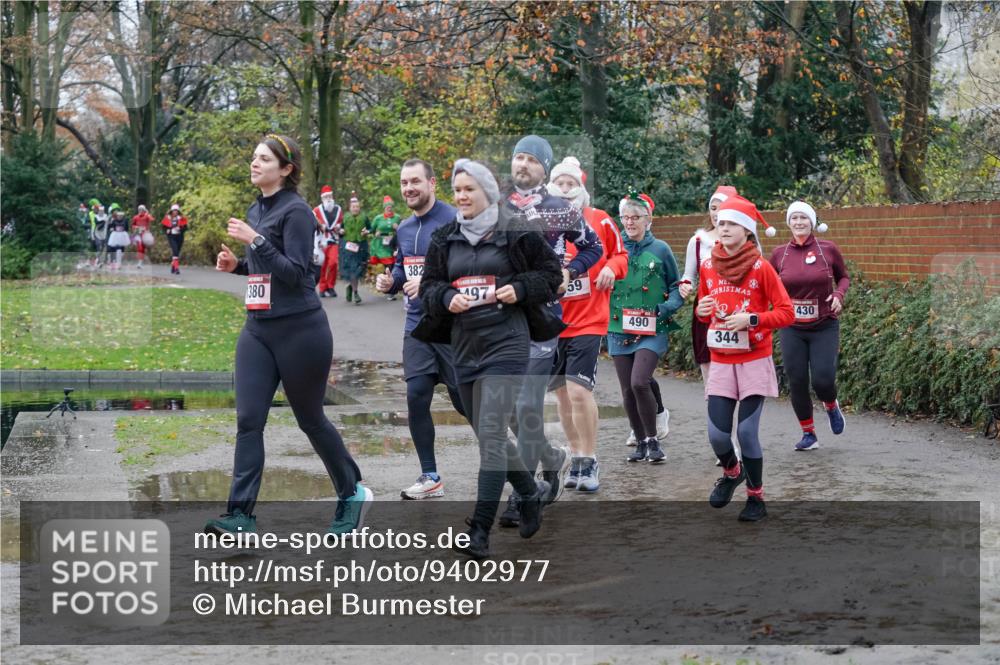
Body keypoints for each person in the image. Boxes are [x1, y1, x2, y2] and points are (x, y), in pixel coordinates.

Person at [206, 133, 372, 535]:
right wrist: (237, 267)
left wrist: (256, 240)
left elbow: (299, 274)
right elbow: (265, 269)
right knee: (248, 421)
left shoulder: (298, 212)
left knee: (311, 420)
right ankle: (240, 515)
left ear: (286, 168)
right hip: (258, 330)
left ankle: (352, 493)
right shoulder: (255, 209)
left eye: (264, 158)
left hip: (300, 331)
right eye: (254, 156)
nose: (254, 163)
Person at [415, 158, 563, 559]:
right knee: (489, 436)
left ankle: (478, 530)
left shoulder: (517, 231)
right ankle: (531, 492)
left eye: (469, 190)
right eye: (457, 190)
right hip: (464, 347)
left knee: (493, 436)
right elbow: (430, 286)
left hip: (507, 344)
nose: (461, 197)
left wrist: (520, 287)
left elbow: (552, 274)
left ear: (488, 192)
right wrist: (447, 297)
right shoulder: (446, 237)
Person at [498, 135, 604, 528]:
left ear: (544, 167)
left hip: (542, 317)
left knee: (527, 406)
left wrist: (569, 271)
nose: (522, 164)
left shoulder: (560, 208)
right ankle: (552, 458)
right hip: (501, 320)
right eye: (517, 158)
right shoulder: (498, 206)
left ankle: (522, 495)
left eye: (530, 159)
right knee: (507, 410)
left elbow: (592, 248)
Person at [695, 194, 793, 522]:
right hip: (721, 360)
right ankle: (732, 471)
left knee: (747, 433)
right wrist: (702, 309)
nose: (722, 228)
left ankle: (756, 497)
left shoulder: (761, 268)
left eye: (731, 223)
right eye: (720, 222)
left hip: (753, 359)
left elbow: (786, 313)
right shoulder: (709, 266)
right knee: (717, 435)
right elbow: (705, 307)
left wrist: (752, 320)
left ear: (747, 231)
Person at [376, 158, 467, 499]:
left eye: (415, 181)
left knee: (466, 403)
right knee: (416, 397)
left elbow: (468, 268)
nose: (409, 188)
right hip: (417, 325)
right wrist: (392, 280)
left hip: (453, 326)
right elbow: (402, 267)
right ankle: (430, 476)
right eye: (404, 183)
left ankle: (516, 457)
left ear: (431, 184)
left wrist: (427, 282)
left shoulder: (453, 220)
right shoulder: (403, 227)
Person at [545, 157, 628, 491]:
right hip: (552, 322)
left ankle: (589, 459)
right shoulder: (542, 222)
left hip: (589, 320)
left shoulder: (599, 221)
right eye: (559, 184)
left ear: (581, 190)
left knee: (580, 391)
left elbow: (620, 256)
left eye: (571, 185)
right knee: (562, 397)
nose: (565, 190)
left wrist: (612, 269)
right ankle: (576, 456)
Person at [608, 190, 684, 465]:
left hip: (652, 328)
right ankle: (640, 443)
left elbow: (677, 287)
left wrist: (665, 308)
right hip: (618, 328)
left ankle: (652, 440)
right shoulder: (615, 251)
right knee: (627, 390)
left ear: (648, 220)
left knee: (640, 382)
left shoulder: (661, 250)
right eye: (625, 217)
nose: (629, 222)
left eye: (635, 217)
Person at [770, 201, 849, 451]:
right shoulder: (779, 254)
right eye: (794, 219)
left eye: (804, 218)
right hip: (792, 326)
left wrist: (838, 295)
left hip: (823, 324)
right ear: (789, 223)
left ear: (812, 222)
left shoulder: (828, 250)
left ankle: (830, 404)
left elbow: (844, 277)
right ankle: (809, 434)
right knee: (797, 379)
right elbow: (767, 283)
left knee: (823, 379)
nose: (799, 222)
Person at [679, 185, 738, 382]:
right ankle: (714, 410)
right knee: (710, 369)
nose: (716, 213)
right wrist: (685, 285)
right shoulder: (698, 241)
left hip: (738, 311)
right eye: (713, 207)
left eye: (721, 207)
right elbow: (688, 276)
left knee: (737, 369)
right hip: (706, 310)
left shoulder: (746, 240)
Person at [340, 193, 370, 304]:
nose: (356, 209)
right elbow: (340, 230)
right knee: (352, 270)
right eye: (354, 207)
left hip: (361, 246)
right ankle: (356, 293)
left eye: (357, 207)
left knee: (358, 270)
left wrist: (367, 231)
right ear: (350, 208)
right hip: (348, 247)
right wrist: (341, 231)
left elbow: (370, 228)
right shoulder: (345, 217)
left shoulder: (364, 217)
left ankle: (350, 287)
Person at [313, 185, 342, 298]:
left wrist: (339, 226)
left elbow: (341, 221)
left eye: (330, 196)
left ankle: (331, 286)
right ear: (322, 198)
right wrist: (320, 226)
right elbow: (311, 223)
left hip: (333, 239)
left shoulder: (338, 209)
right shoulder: (316, 210)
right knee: (322, 265)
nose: (329, 199)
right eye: (326, 197)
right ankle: (322, 287)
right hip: (321, 241)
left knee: (333, 263)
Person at [370, 195, 401, 299]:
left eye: (390, 207)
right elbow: (372, 230)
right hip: (381, 245)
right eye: (387, 207)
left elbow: (403, 230)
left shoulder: (397, 217)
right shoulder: (378, 218)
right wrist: (376, 233)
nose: (389, 208)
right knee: (389, 264)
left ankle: (388, 286)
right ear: (384, 207)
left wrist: (398, 228)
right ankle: (388, 286)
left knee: (391, 265)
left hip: (392, 244)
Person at [161, 203, 188, 274]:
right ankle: (176, 268)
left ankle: (173, 266)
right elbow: (163, 227)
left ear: (178, 211)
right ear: (171, 211)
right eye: (174, 210)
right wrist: (167, 230)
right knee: (175, 251)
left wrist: (180, 229)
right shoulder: (168, 218)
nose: (175, 212)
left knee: (177, 252)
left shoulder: (181, 218)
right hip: (171, 237)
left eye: (176, 211)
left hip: (179, 236)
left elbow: (186, 227)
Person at [105, 204, 131, 270]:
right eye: (118, 216)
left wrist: (125, 232)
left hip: (122, 235)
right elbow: (110, 227)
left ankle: (119, 263)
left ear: (122, 216)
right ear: (117, 216)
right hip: (115, 236)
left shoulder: (125, 221)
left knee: (121, 249)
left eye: (121, 216)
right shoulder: (114, 221)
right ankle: (114, 262)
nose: (119, 217)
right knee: (115, 248)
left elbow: (127, 228)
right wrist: (110, 227)